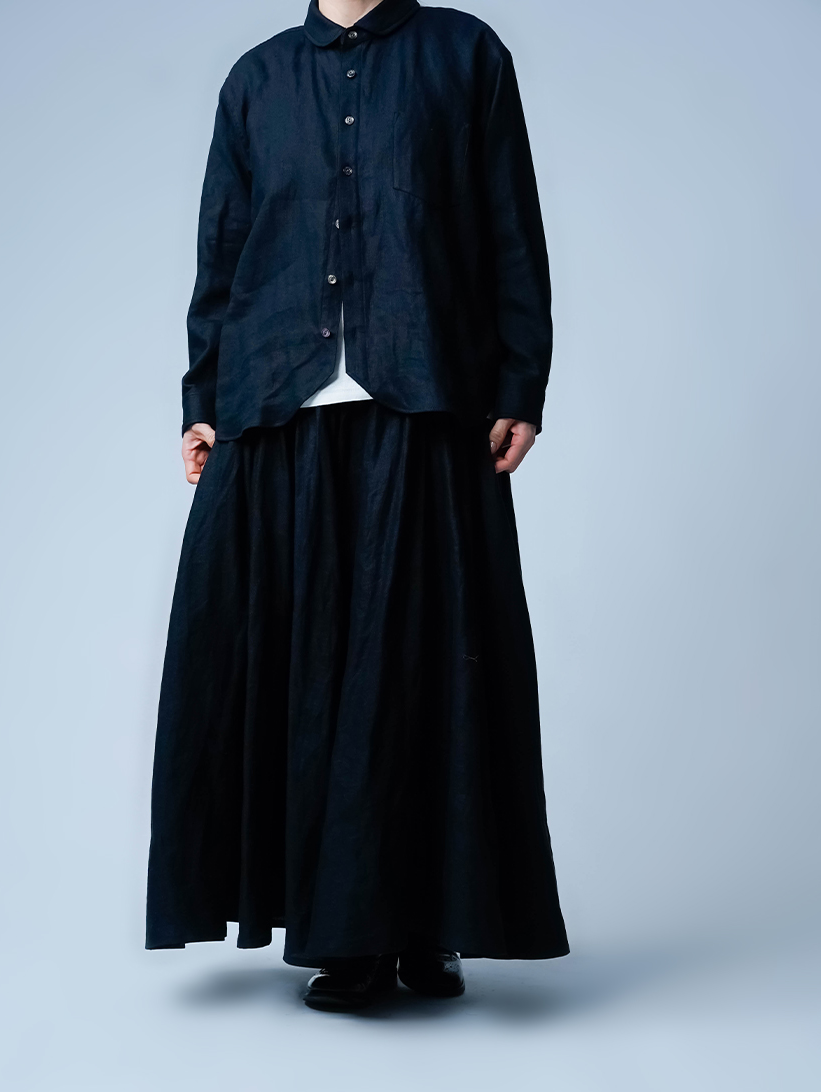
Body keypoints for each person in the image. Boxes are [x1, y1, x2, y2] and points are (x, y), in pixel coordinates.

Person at [145, 0, 569, 1011]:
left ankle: (428, 926)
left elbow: (509, 226)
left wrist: (520, 384)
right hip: (277, 404)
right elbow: (223, 248)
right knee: (302, 674)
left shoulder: (465, 55)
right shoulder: (257, 79)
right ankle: (346, 938)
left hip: (425, 394)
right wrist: (202, 397)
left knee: (423, 670)